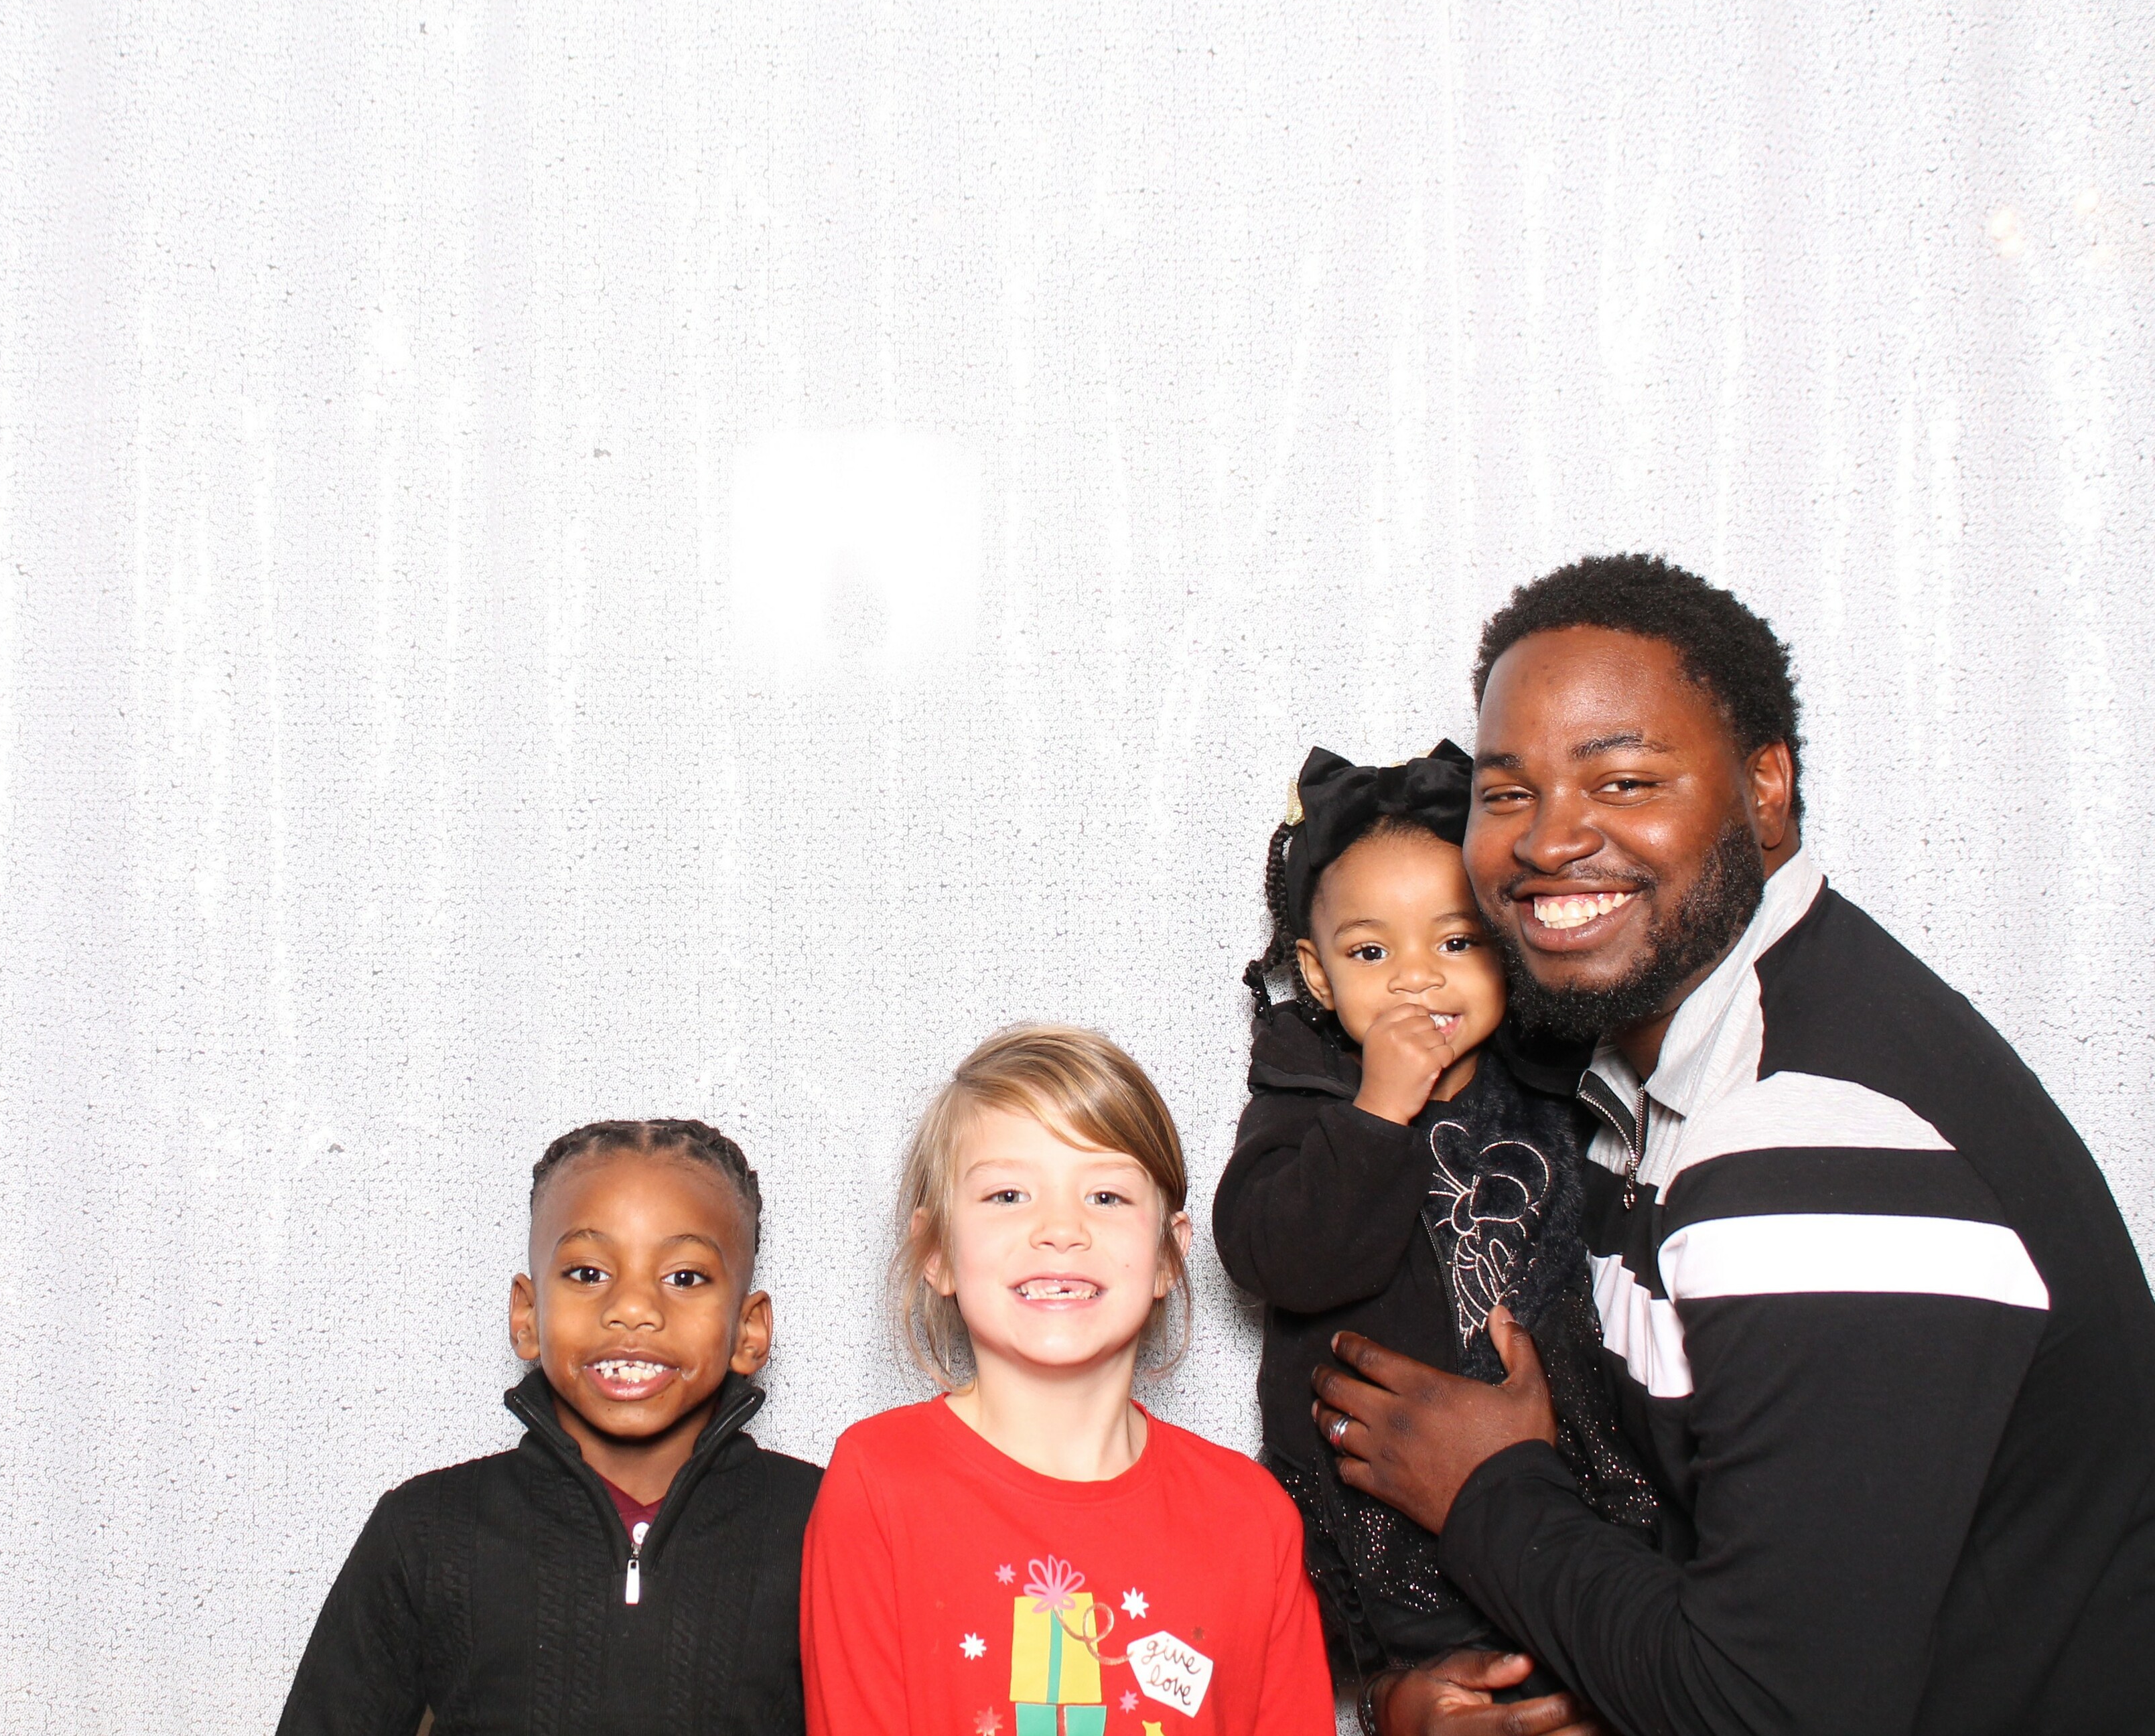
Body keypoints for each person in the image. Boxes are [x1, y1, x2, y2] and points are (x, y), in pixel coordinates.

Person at [1311, 555, 2155, 1736]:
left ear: (1766, 789)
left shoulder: (1810, 1124)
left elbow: (1772, 1707)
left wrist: (1490, 1492)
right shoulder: (1649, 1072)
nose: (1549, 840)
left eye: (1623, 779)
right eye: (1507, 793)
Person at [1212, 742, 1654, 1715]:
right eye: (1372, 953)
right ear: (1317, 976)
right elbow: (1273, 1257)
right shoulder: (1305, 1099)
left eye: (1456, 943)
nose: (1417, 979)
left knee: (1594, 1672)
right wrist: (1377, 1112)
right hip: (1375, 1512)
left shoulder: (1560, 1087)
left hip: (1568, 1484)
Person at [801, 1023, 1333, 1736]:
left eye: (1106, 1197)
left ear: (1168, 1256)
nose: (1060, 1229)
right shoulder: (878, 1482)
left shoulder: (1252, 1518)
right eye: (1008, 1194)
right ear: (937, 1253)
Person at [277, 1119, 823, 1735]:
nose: (633, 1309)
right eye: (588, 1273)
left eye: (685, 1277)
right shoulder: (425, 1532)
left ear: (750, 1331)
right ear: (527, 1315)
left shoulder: (826, 1526)